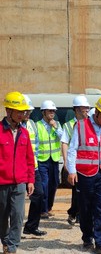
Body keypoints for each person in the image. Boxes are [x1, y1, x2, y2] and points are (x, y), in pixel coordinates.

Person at [67, 95, 101, 254]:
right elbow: (72, 149)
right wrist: (72, 170)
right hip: (85, 175)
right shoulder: (80, 126)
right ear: (97, 113)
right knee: (86, 209)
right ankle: (87, 237)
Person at [0, 91, 35, 254]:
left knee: (18, 216)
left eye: (24, 111)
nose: (22, 114)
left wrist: (30, 180)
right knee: (2, 217)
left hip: (20, 183)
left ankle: (11, 247)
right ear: (9, 111)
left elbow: (29, 158)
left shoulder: (25, 133)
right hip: (2, 183)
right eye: (19, 111)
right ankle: (5, 240)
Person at [61, 95, 90, 226]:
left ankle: (76, 213)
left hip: (88, 162)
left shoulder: (90, 123)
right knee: (77, 189)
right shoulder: (68, 126)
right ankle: (76, 213)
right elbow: (64, 143)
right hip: (75, 162)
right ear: (77, 109)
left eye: (88, 108)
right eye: (85, 108)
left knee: (85, 189)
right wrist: (67, 162)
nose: (87, 111)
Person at [22, 94, 47, 237]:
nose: (27, 114)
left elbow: (35, 147)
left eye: (29, 111)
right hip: (18, 169)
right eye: (26, 111)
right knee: (14, 203)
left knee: (39, 195)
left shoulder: (32, 124)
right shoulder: (13, 127)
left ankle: (31, 226)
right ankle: (10, 231)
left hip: (33, 167)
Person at [36, 100, 63, 219]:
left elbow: (63, 138)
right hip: (42, 160)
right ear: (43, 112)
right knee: (44, 184)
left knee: (54, 184)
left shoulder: (57, 124)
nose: (52, 113)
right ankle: (43, 209)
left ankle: (49, 207)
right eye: (50, 111)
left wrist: (56, 127)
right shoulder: (38, 125)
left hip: (54, 159)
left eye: (53, 111)